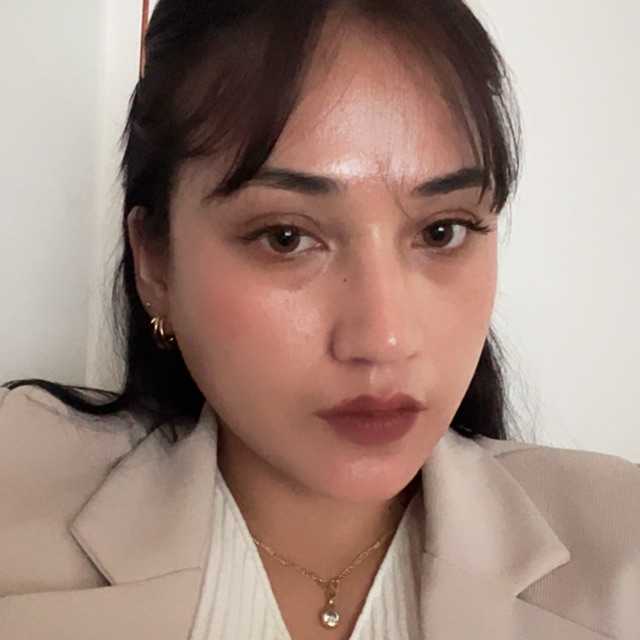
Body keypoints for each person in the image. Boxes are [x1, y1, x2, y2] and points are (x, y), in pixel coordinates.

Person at [1, 1, 638, 639]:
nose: (385, 339)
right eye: (285, 237)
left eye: (442, 231)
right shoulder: (19, 501)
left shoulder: (621, 550)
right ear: (155, 264)